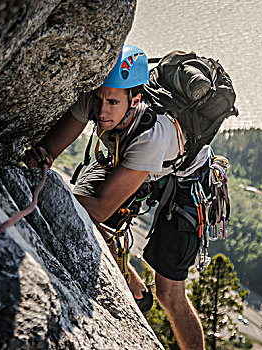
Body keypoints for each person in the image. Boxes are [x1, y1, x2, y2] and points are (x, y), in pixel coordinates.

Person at [25, 44, 209, 350]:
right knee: (79, 208)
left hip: (185, 180)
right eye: (99, 99)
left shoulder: (153, 135)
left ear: (135, 100)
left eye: (112, 102)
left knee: (169, 295)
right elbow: (48, 151)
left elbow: (98, 209)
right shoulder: (99, 99)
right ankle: (132, 284)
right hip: (129, 159)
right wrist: (39, 161)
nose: (102, 111)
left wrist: (46, 184)